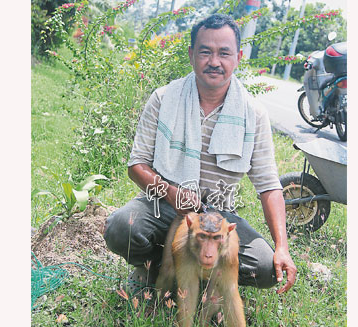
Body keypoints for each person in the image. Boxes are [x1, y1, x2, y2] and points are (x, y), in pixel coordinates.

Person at [103, 14, 297, 294]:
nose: (214, 61)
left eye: (224, 53)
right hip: (162, 205)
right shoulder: (163, 99)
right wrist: (169, 192)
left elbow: (269, 186)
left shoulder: (253, 114)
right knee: (121, 227)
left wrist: (282, 247)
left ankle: (204, 276)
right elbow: (137, 165)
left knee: (266, 268)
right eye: (205, 51)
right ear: (192, 54)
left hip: (215, 215)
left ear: (238, 57)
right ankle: (151, 266)